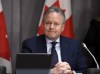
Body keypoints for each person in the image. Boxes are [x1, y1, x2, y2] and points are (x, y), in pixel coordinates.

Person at [22, 6, 86, 74]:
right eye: (48, 23)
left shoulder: (73, 45)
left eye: (56, 24)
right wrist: (50, 72)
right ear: (43, 25)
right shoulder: (30, 45)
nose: (51, 27)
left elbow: (83, 71)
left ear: (62, 27)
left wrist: (72, 73)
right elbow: (24, 71)